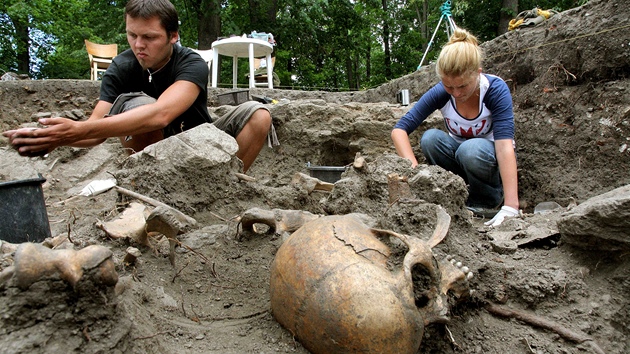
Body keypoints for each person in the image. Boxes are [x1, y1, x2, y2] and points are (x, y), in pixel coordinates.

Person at [2, 0, 272, 173]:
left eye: (149, 37)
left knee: (259, 114)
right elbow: (95, 131)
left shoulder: (191, 63)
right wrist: (57, 137)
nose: (138, 45)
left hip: (201, 142)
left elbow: (162, 114)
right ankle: (150, 189)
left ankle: (228, 185)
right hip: (153, 160)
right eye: (132, 35)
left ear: (173, 37)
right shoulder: (121, 68)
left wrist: (75, 131)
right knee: (137, 104)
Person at [391, 28, 519, 227]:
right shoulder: (443, 91)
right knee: (430, 139)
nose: (456, 94)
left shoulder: (495, 90)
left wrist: (512, 207)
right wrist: (416, 175)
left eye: (462, 86)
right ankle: (454, 195)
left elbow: (504, 147)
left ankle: (488, 200)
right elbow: (399, 131)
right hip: (460, 161)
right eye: (449, 87)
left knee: (471, 149)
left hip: (487, 163)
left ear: (477, 73)